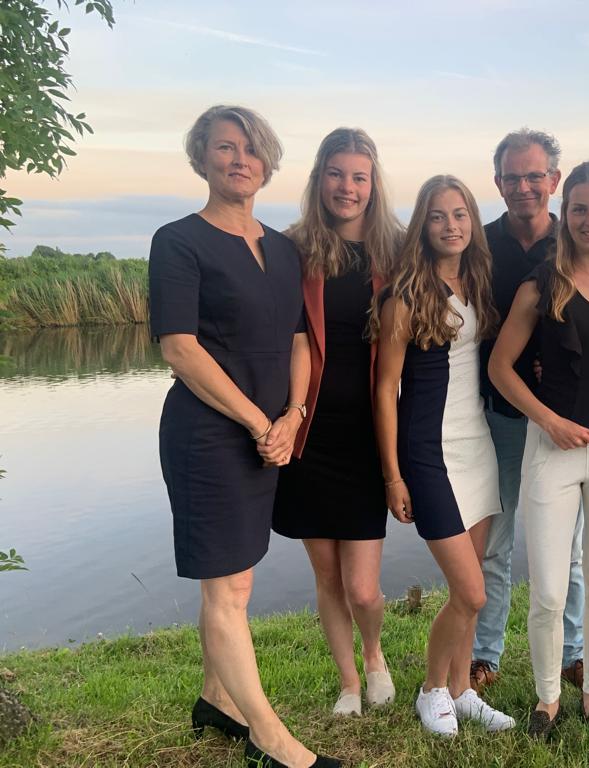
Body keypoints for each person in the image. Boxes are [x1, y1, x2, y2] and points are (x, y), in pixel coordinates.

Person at [149, 105, 339, 768]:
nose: (240, 160)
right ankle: (269, 737)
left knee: (238, 581)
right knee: (225, 589)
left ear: (268, 163)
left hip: (269, 437)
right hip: (208, 436)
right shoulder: (179, 242)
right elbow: (180, 348)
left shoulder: (283, 249)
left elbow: (298, 339)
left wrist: (294, 415)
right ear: (202, 157)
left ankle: (216, 699)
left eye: (252, 149)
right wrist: (261, 422)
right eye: (226, 147)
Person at [488, 159, 589, 739]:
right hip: (550, 448)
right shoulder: (541, 284)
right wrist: (549, 420)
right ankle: (547, 700)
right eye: (580, 208)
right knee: (550, 590)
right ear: (566, 211)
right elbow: (500, 367)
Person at [372, 175, 516, 737]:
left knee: (469, 588)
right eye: (438, 216)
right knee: (472, 591)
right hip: (428, 454)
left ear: (472, 221)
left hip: (477, 444)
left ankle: (461, 690)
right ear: (423, 225)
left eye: (460, 214)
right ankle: (432, 690)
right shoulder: (405, 296)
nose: (451, 225)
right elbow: (386, 389)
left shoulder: (477, 282)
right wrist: (393, 476)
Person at [272, 128, 403, 718]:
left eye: (358, 177)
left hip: (369, 436)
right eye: (336, 173)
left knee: (364, 588)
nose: (346, 187)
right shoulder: (292, 249)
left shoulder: (395, 251)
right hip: (308, 434)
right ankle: (349, 681)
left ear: (373, 184)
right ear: (318, 178)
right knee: (327, 577)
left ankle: (375, 655)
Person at [473, 129, 586, 692]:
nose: (523, 187)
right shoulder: (477, 243)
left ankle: (574, 652)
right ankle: (484, 654)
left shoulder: (578, 241)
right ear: (498, 183)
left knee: (567, 548)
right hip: (495, 413)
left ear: (554, 180)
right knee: (495, 544)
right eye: (512, 177)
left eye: (534, 176)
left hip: (562, 420)